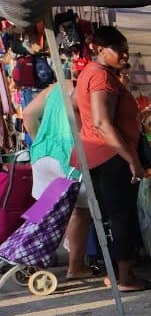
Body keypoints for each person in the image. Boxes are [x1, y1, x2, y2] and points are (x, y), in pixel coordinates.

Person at [73, 25, 151, 291]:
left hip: (96, 155)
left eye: (126, 51)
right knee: (121, 215)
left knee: (110, 215)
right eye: (119, 51)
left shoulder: (88, 73)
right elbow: (101, 122)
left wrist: (85, 135)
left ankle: (115, 273)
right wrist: (131, 158)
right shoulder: (102, 78)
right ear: (100, 50)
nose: (125, 56)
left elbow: (75, 108)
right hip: (111, 158)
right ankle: (126, 278)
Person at [19, 84, 96, 280]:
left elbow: (27, 114)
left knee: (42, 211)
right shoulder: (90, 87)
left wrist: (40, 140)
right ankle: (75, 267)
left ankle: (28, 260)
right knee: (79, 212)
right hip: (69, 157)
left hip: (42, 153)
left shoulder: (54, 88)